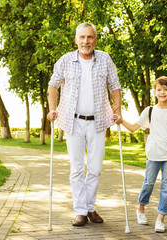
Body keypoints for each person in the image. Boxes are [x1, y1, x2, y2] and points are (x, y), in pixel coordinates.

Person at [47, 22, 122, 226]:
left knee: (95, 168)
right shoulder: (65, 61)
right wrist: (52, 109)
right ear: (76, 39)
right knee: (77, 169)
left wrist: (118, 112)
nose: (86, 41)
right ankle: (82, 211)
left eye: (89, 37)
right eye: (82, 37)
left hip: (98, 122)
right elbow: (53, 85)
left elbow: (115, 86)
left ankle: (89, 207)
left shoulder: (105, 59)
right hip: (73, 122)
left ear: (95, 40)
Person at [113, 76, 167, 233]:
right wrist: (121, 121)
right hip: (153, 154)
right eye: (159, 90)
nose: (162, 92)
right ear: (154, 92)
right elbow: (134, 127)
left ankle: (160, 219)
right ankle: (140, 209)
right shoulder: (150, 111)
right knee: (148, 183)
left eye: (166, 90)